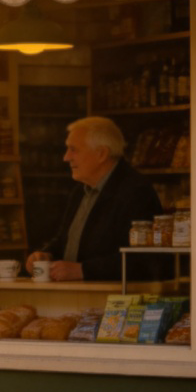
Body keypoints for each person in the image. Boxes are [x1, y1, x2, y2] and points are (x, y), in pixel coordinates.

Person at [26, 116, 163, 282]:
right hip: (79, 300)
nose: (66, 157)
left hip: (118, 302)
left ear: (101, 154)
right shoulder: (80, 192)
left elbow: (142, 260)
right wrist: (46, 255)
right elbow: (66, 241)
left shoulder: (135, 192)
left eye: (73, 149)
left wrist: (83, 270)